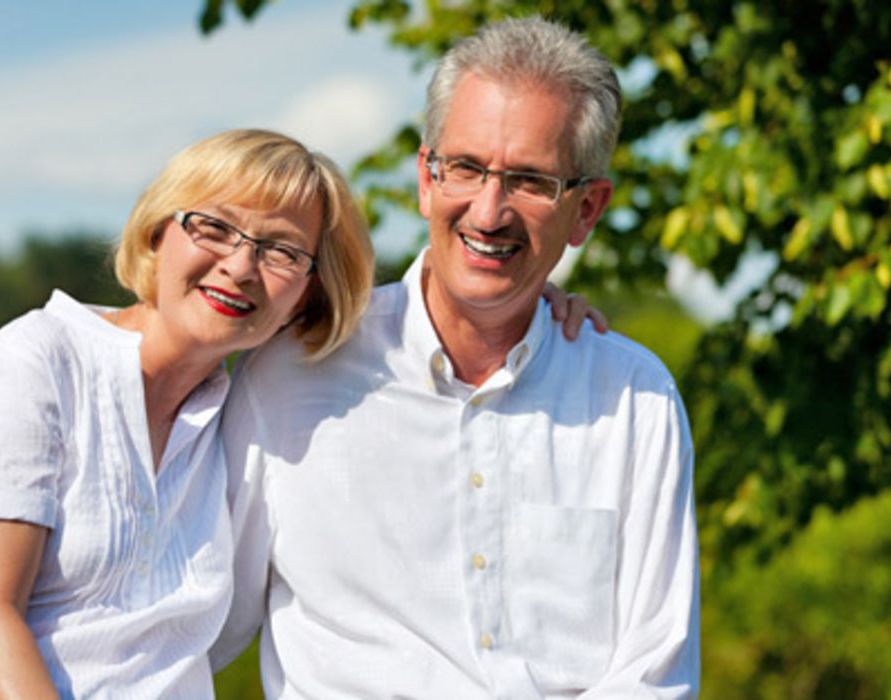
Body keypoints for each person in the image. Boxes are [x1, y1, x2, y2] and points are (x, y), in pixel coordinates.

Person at [207, 16, 699, 697]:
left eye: (529, 181)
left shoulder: (632, 399)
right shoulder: (290, 375)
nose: (488, 211)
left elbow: (654, 676)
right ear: (426, 178)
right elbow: (193, 628)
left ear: (585, 210)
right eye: (465, 168)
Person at [0, 128, 377, 698]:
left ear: (306, 294)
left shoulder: (243, 419)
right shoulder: (35, 364)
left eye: (280, 251)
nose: (241, 266)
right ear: (157, 234)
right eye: (216, 227)